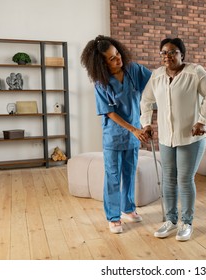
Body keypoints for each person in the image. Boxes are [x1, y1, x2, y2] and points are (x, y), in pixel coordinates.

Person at [140, 38, 206, 241]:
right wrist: (146, 124)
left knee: (184, 180)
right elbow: (146, 100)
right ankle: (171, 220)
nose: (168, 56)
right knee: (168, 180)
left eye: (173, 52)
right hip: (166, 138)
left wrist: (202, 121)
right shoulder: (157, 75)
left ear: (182, 54)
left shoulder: (195, 72)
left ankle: (187, 223)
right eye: (164, 53)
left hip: (190, 138)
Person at [80, 35, 151, 234]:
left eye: (117, 54)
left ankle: (128, 209)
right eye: (111, 58)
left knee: (130, 172)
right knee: (113, 176)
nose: (118, 59)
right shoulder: (101, 83)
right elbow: (109, 113)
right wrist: (134, 129)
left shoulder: (134, 70)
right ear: (102, 63)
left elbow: (155, 84)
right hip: (114, 135)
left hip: (135, 134)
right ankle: (113, 217)